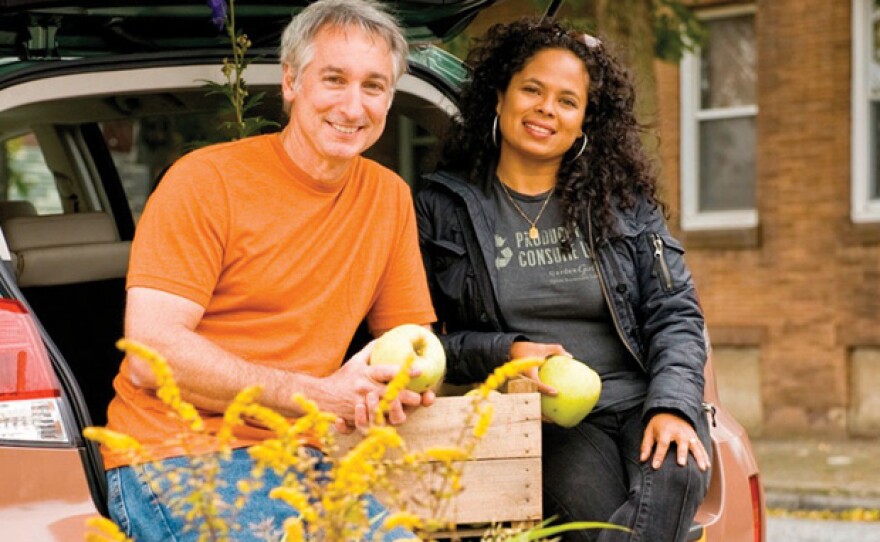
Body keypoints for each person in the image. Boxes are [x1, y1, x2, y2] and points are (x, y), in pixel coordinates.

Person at [102, 1, 436, 540]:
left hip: (305, 460)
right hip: (178, 456)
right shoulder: (205, 182)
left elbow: (409, 341)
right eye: (334, 79)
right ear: (290, 82)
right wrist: (315, 395)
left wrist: (396, 384)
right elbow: (151, 354)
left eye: (373, 86)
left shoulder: (388, 198)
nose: (353, 107)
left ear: (390, 98)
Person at [416, 18, 711, 542]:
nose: (546, 109)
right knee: (602, 522)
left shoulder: (622, 205)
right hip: (551, 420)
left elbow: (676, 313)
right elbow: (428, 344)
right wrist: (504, 352)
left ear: (583, 124)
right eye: (532, 89)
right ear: (500, 96)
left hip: (643, 400)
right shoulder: (443, 209)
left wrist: (672, 406)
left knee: (682, 470)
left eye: (567, 101)